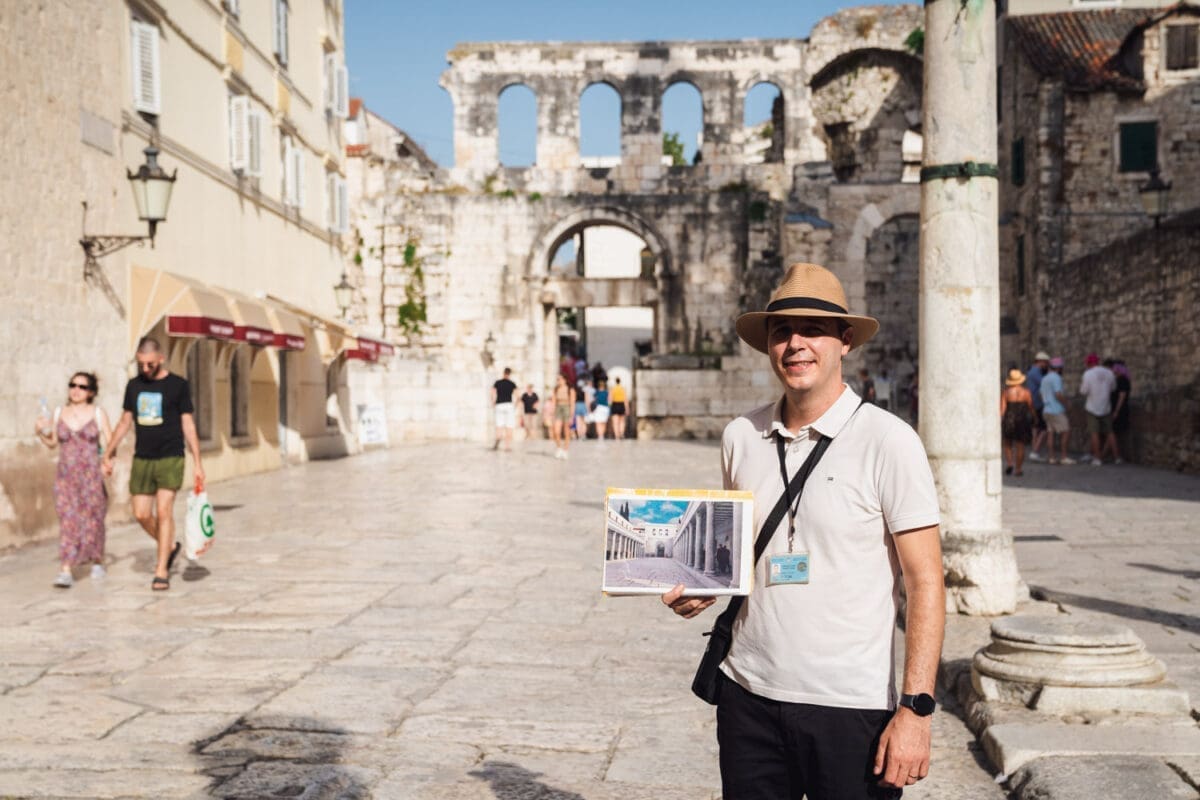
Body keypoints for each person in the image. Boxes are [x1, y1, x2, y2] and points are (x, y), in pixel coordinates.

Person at [663, 263, 944, 799]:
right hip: (748, 694)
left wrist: (916, 709)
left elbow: (926, 581)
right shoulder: (740, 435)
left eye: (813, 330)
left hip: (851, 705)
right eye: (781, 331)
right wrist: (704, 586)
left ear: (845, 341)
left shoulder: (889, 441)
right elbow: (739, 552)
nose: (795, 344)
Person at [102, 338, 204, 591]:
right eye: (141, 364)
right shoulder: (134, 385)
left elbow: (188, 424)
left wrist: (198, 462)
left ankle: (161, 571)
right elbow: (125, 421)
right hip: (143, 457)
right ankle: (169, 546)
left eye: (150, 364)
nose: (145, 369)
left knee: (164, 511)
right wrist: (109, 451)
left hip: (171, 456)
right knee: (141, 514)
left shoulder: (178, 385)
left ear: (161, 358)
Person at [34, 372, 112, 588]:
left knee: (94, 519)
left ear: (91, 392)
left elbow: (110, 440)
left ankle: (97, 559)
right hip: (66, 476)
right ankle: (66, 569)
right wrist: (39, 432)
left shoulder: (98, 413)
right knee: (67, 520)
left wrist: (108, 461)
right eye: (72, 385)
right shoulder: (60, 412)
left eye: (82, 387)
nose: (76, 390)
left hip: (91, 476)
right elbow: (53, 443)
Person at [1079, 352, 1116, 467]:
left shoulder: (1088, 374)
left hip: (1092, 407)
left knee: (1094, 433)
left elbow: (1084, 391)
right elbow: (1113, 388)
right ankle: (1117, 457)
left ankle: (1097, 457)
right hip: (1106, 406)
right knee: (1109, 432)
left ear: (1089, 363)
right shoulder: (1109, 372)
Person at [1000, 368, 1035, 476]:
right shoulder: (1026, 392)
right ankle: (1018, 469)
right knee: (1020, 445)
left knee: (1007, 443)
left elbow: (1002, 409)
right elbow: (1031, 407)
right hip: (1022, 420)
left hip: (1009, 419)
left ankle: (1010, 463)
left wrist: (1000, 420)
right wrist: (1035, 417)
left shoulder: (1006, 393)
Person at [1040, 357, 1074, 465]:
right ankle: (1064, 456)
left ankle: (1052, 457)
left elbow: (1040, 394)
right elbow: (1058, 394)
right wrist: (1067, 403)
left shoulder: (1045, 378)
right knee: (1066, 431)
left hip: (1046, 409)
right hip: (1056, 410)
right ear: (1059, 368)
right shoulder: (1056, 378)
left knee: (1050, 433)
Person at [1025, 352, 1050, 461]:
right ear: (1041, 362)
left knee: (1035, 427)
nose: (1046, 365)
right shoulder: (1036, 372)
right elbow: (1044, 383)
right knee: (1044, 428)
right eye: (1046, 363)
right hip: (1038, 402)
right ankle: (1035, 451)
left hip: (1033, 402)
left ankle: (1034, 449)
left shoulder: (1031, 371)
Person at [1105, 360, 1131, 463]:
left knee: (1111, 431)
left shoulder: (1123, 380)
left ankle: (1115, 456)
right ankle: (1103, 454)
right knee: (1111, 432)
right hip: (1115, 409)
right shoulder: (1117, 380)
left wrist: (1116, 411)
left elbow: (1122, 396)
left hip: (1119, 410)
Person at [491, 368, 518, 451]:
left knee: (499, 425)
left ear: (503, 373)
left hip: (499, 405)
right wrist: (515, 406)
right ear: (509, 374)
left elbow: (492, 393)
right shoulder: (512, 383)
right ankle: (507, 446)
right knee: (509, 426)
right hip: (509, 405)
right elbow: (517, 396)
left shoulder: (497, 383)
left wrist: (493, 402)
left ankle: (498, 439)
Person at [551, 375, 575, 460]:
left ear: (565, 380)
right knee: (556, 431)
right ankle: (559, 448)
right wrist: (552, 413)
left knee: (566, 431)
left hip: (567, 408)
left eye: (560, 379)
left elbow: (572, 403)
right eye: (557, 379)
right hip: (558, 408)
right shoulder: (556, 389)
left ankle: (566, 450)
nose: (558, 381)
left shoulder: (570, 389)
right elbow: (553, 402)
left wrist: (572, 416)